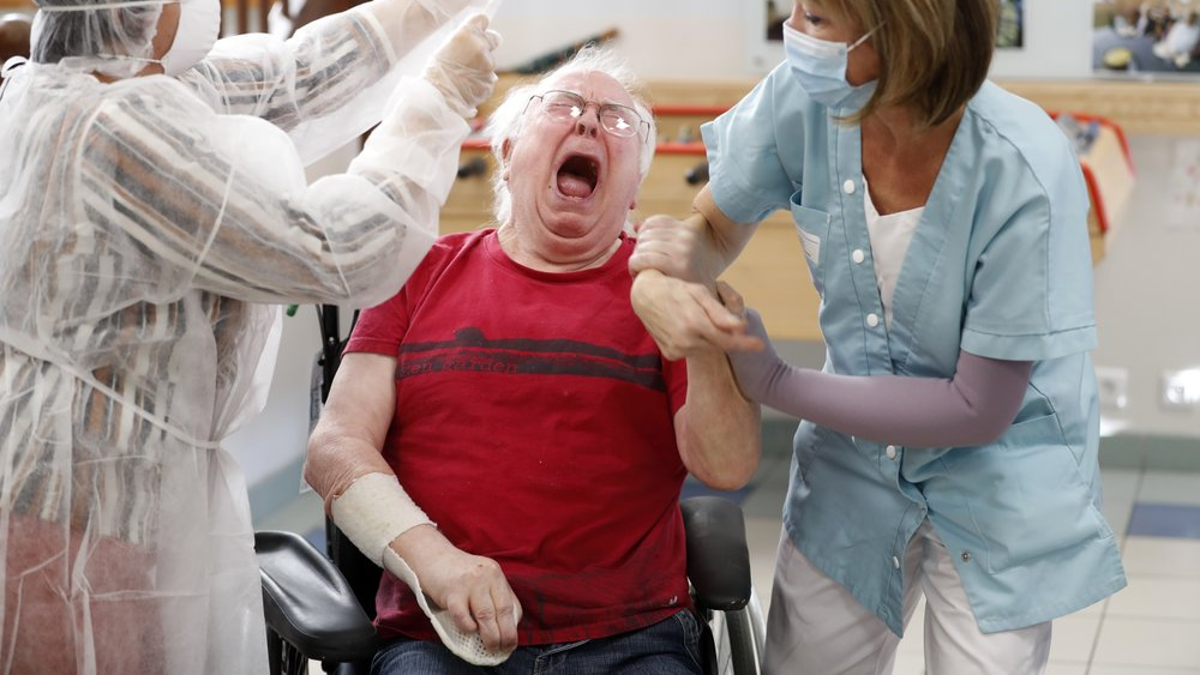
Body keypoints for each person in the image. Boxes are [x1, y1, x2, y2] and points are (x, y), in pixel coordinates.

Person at [628, 1, 1128, 673]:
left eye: (818, 21)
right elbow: (715, 225)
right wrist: (670, 268)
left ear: (904, 39)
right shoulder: (802, 99)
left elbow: (977, 408)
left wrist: (779, 383)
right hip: (853, 466)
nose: (795, 37)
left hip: (998, 480)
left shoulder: (1022, 169)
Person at [0, 0, 500, 671]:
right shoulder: (112, 130)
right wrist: (438, 104)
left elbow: (298, 75)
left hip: (135, 493)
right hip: (74, 508)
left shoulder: (108, 84)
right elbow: (333, 251)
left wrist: (431, 10)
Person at [304, 45, 762, 674]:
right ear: (508, 152)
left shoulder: (663, 291)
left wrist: (704, 327)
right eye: (565, 105)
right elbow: (334, 447)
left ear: (632, 191)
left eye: (617, 120)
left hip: (631, 638)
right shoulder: (418, 271)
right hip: (438, 635)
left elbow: (728, 466)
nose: (590, 123)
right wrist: (436, 563)